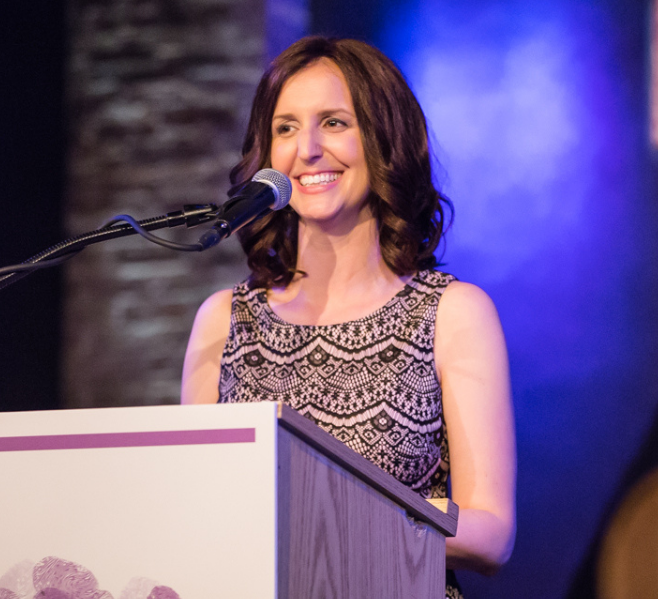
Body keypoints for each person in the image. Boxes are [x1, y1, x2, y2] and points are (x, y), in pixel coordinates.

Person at [181, 36, 515, 597]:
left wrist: (330, 507)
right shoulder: (224, 321)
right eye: (285, 128)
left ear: (385, 139)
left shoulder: (450, 312)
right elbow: (196, 517)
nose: (306, 148)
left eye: (334, 123)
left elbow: (489, 532)